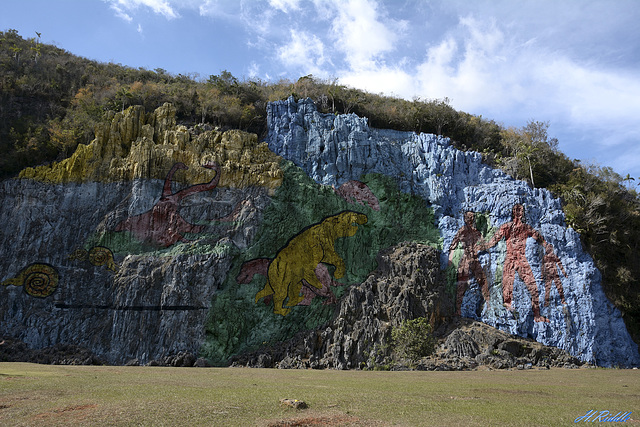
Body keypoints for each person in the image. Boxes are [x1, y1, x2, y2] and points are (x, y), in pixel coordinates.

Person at [482, 204, 549, 322]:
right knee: (507, 284)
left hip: (521, 259)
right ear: (513, 212)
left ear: (523, 213)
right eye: (516, 210)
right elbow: (494, 240)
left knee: (532, 286)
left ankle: (537, 314)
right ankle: (507, 306)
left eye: (520, 210)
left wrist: (546, 245)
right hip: (510, 258)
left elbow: (539, 238)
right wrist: (483, 246)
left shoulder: (526, 228)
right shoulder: (506, 227)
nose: (518, 212)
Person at [448, 211, 490, 316]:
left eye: (472, 217)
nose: (470, 219)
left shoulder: (477, 232)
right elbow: (453, 245)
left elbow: (484, 245)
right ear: (465, 218)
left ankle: (489, 304)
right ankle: (458, 310)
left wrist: (481, 248)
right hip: (465, 259)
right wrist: (450, 260)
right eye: (468, 217)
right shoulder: (462, 231)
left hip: (475, 259)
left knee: (483, 281)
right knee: (461, 283)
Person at [542, 242, 567, 307]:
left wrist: (564, 273)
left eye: (551, 248)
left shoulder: (554, 256)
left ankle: (563, 300)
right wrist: (542, 276)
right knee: (547, 289)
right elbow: (542, 267)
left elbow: (560, 265)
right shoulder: (545, 258)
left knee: (560, 287)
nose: (550, 249)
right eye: (548, 248)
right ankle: (546, 302)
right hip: (548, 275)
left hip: (555, 273)